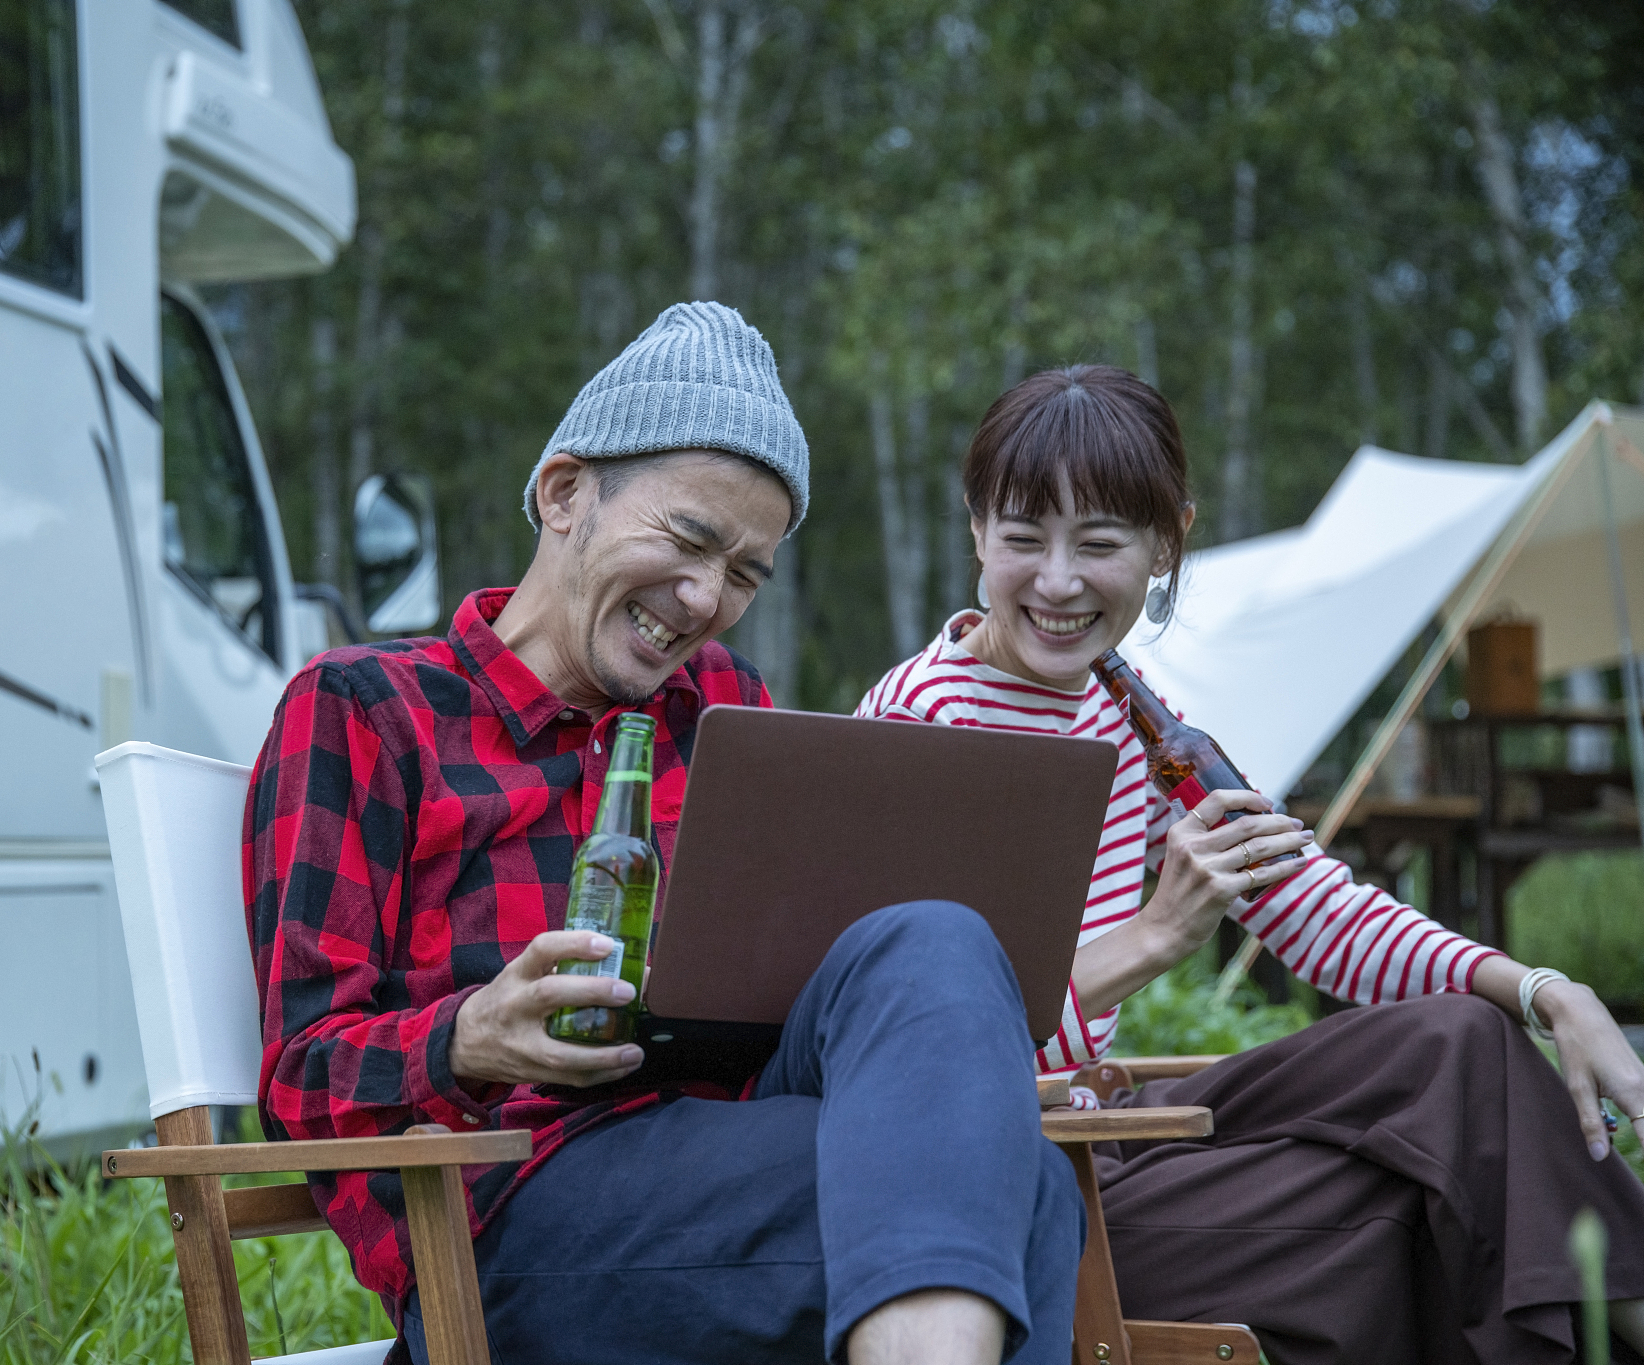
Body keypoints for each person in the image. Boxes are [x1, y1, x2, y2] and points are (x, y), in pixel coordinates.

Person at [242, 303, 1084, 1365]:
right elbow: (296, 1079)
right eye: (688, 540)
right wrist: (467, 1037)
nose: (702, 599)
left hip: (729, 1150)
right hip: (515, 1208)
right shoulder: (366, 708)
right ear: (563, 493)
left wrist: (943, 1063)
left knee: (937, 938)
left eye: (742, 574)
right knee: (1014, 1189)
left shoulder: (724, 707)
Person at [858, 363, 1644, 1365]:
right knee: (1423, 1198)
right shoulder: (920, 725)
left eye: (1097, 544)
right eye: (1020, 538)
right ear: (974, 533)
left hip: (1112, 1128)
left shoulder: (1126, 710)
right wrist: (1152, 939)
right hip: (1012, 1184)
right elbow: (922, 1048)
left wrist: (1538, 988)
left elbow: (1318, 913)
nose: (1055, 582)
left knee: (1463, 1042)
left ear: (1164, 545)